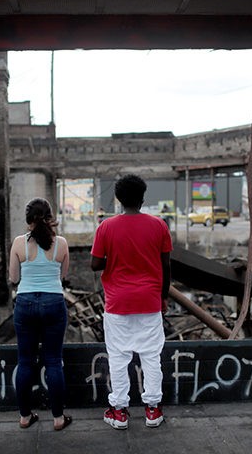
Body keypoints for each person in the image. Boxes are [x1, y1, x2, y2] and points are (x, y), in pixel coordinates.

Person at [90, 174, 172, 430]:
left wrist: (113, 257)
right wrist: (164, 298)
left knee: (118, 357)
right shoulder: (159, 225)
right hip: (149, 301)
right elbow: (166, 267)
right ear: (143, 197)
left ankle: (119, 411)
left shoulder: (106, 227)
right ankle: (152, 410)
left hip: (118, 304)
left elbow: (95, 264)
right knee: (151, 357)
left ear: (118, 199)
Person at [9, 197, 72, 431]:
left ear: (28, 220)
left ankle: (25, 417)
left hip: (25, 303)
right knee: (54, 361)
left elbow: (14, 278)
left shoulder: (18, 243)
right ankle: (58, 418)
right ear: (50, 217)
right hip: (54, 302)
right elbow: (63, 276)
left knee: (25, 362)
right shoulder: (62, 243)